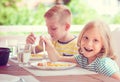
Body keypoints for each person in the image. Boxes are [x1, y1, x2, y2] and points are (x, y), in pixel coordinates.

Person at [46, 20, 120, 80]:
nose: (88, 44)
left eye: (95, 40)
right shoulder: (82, 59)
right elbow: (58, 59)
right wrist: (49, 46)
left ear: (103, 45)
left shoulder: (103, 64)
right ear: (81, 37)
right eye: (86, 38)